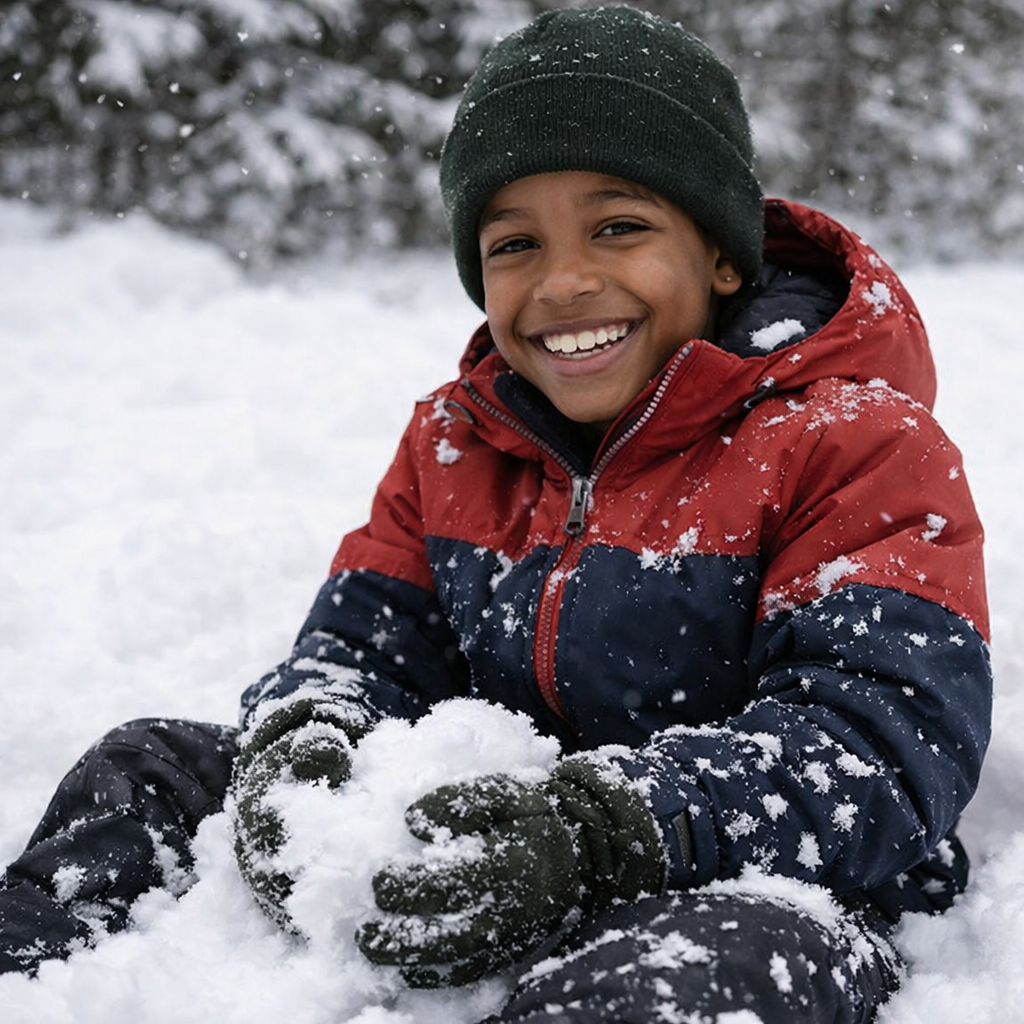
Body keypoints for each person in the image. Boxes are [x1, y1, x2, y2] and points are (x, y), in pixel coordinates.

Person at [0, 7, 992, 1022]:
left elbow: (877, 743)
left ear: (721, 256)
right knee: (152, 769)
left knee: (699, 969)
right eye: (515, 243)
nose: (564, 281)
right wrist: (303, 744)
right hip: (477, 833)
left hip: (755, 878)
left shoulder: (855, 444)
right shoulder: (455, 441)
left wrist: (605, 833)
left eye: (619, 227)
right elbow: (362, 649)